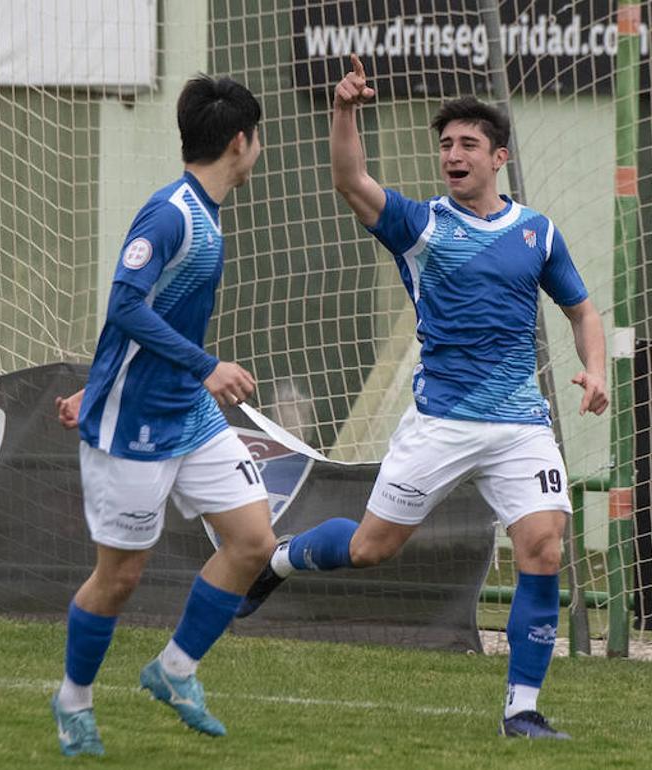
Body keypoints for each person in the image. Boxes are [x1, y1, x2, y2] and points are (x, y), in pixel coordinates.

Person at [235, 55, 608, 741]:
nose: (453, 155)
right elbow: (350, 180)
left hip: (520, 423)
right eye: (445, 145)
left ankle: (521, 711)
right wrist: (344, 108)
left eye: (468, 145)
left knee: (544, 546)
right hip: (439, 423)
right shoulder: (423, 226)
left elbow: (582, 310)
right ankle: (281, 559)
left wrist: (595, 370)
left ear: (499, 157)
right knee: (373, 547)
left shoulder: (538, 232)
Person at [49, 74, 277, 757]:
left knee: (253, 543)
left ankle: (174, 671)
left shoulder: (205, 215)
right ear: (241, 142)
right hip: (134, 427)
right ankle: (73, 702)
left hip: (188, 414)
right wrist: (205, 366)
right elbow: (124, 305)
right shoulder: (172, 213)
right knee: (119, 578)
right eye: (258, 138)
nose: (258, 149)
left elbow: (140, 325)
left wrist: (106, 378)